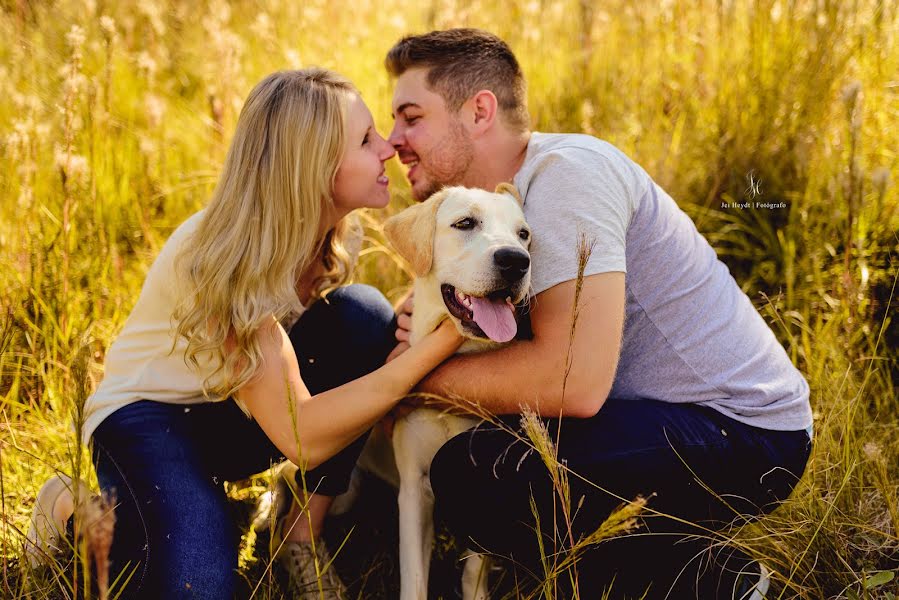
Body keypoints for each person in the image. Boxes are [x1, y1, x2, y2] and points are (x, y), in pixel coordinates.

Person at [383, 29, 813, 599]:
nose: (394, 141)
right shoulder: (508, 209)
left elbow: (574, 385)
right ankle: (652, 557)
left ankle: (715, 580)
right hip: (662, 419)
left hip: (743, 430)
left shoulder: (567, 177)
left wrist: (412, 378)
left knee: (478, 473)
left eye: (411, 117)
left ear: (479, 110)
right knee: (495, 459)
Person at [28, 68, 463, 600]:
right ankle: (70, 509)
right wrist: (441, 343)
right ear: (315, 166)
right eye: (367, 140)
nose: (388, 150)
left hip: (236, 408)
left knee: (363, 316)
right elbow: (300, 437)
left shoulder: (311, 233)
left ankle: (298, 536)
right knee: (196, 586)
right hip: (150, 419)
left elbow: (309, 383)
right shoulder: (225, 259)